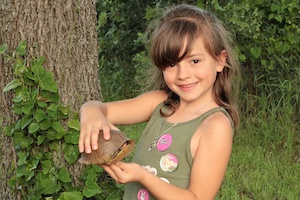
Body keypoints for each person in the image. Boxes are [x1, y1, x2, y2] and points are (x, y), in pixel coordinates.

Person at [79, 4, 241, 200]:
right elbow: (98, 108)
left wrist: (143, 176)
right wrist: (90, 114)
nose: (183, 75)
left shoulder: (215, 125)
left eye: (195, 61)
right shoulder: (158, 102)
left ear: (219, 60)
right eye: (172, 64)